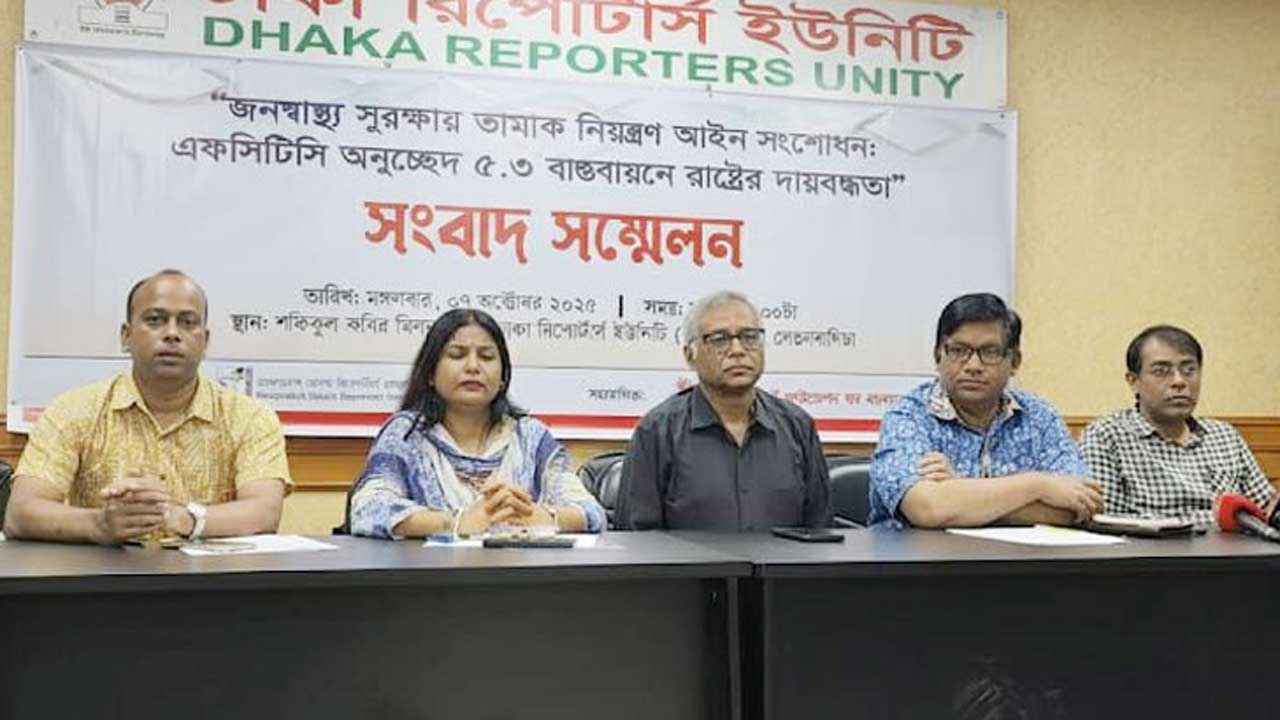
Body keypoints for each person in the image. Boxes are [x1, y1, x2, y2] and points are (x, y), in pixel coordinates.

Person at [3, 269, 291, 544]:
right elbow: (21, 512)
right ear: (126, 336)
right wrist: (101, 524)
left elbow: (264, 511)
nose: (172, 333)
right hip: (105, 576)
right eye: (155, 320)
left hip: (211, 578)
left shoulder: (250, 417)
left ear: (205, 340)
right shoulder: (74, 410)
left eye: (187, 322)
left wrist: (187, 519)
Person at [348, 308, 605, 538]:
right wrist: (456, 523)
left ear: (503, 378)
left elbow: (591, 512)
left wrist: (543, 517)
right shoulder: (406, 434)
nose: (473, 367)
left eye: (486, 356)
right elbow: (368, 509)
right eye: (456, 355)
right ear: (430, 374)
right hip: (432, 574)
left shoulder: (530, 438)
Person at [869, 293, 1100, 528]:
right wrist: (1038, 485)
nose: (973, 366)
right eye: (959, 350)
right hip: (920, 552)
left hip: (1017, 553)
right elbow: (929, 509)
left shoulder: (1040, 417)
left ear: (1015, 361)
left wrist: (961, 492)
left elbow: (1081, 505)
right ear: (938, 355)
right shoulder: (910, 416)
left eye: (990, 352)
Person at [615, 291, 830, 531]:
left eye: (749, 337)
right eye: (719, 339)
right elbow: (635, 539)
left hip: (784, 558)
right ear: (690, 355)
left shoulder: (798, 427)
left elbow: (820, 531)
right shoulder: (657, 432)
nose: (737, 350)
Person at [1081, 325, 1276, 525]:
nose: (1179, 381)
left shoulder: (1225, 436)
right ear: (1133, 381)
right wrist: (1220, 520)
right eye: (1161, 371)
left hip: (1238, 545)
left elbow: (1267, 508)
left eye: (1189, 370)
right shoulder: (1106, 436)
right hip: (1153, 546)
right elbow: (1105, 522)